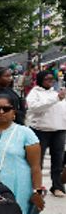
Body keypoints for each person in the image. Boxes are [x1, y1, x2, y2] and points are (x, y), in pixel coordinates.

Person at [25, 69, 66, 197]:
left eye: (52, 79)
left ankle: (57, 186)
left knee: (58, 160)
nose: (50, 82)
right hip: (40, 130)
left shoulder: (56, 92)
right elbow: (35, 107)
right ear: (40, 80)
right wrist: (56, 99)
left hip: (59, 130)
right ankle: (36, 185)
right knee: (37, 160)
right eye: (47, 79)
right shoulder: (35, 93)